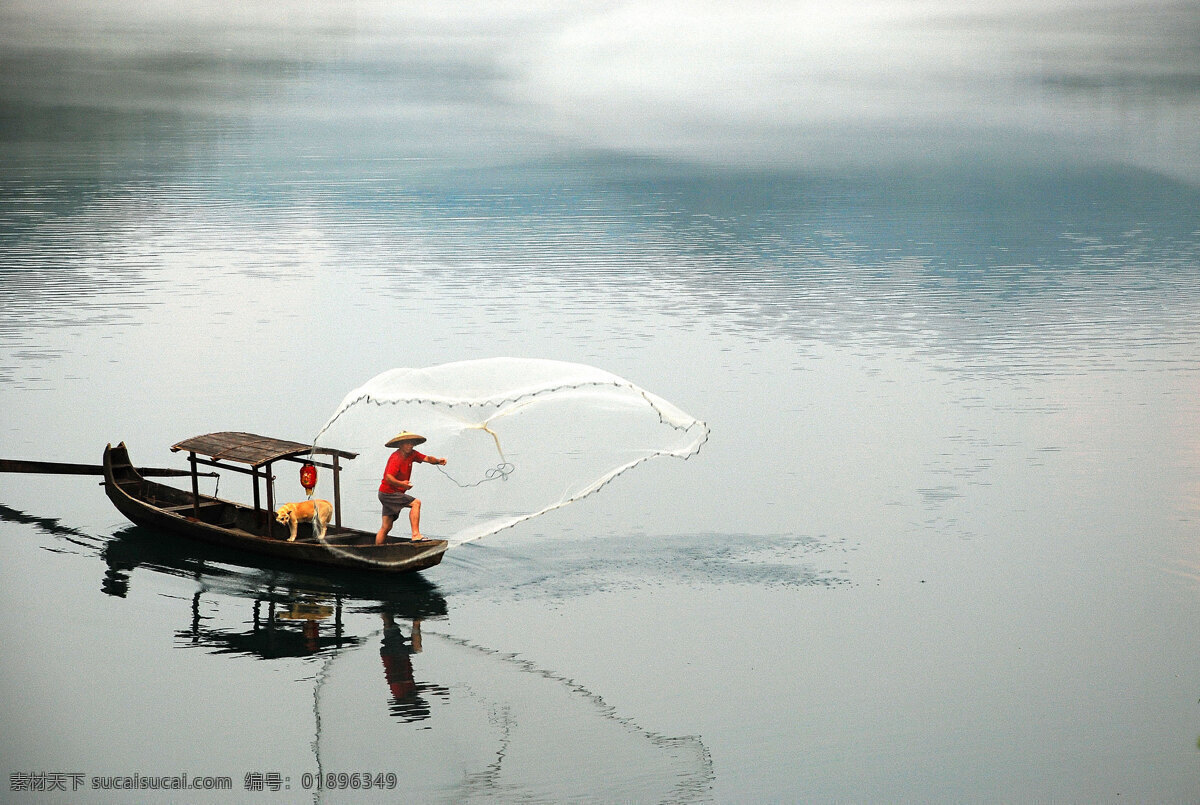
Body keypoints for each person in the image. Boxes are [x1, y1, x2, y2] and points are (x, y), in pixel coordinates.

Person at [376, 431, 446, 544]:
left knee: (386, 526)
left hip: (388, 493)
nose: (410, 446)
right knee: (416, 503)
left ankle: (377, 552)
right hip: (388, 493)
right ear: (400, 445)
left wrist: (438, 461)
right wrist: (402, 484)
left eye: (411, 443)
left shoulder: (412, 454)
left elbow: (427, 458)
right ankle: (415, 535)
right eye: (407, 443)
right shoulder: (396, 458)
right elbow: (388, 477)